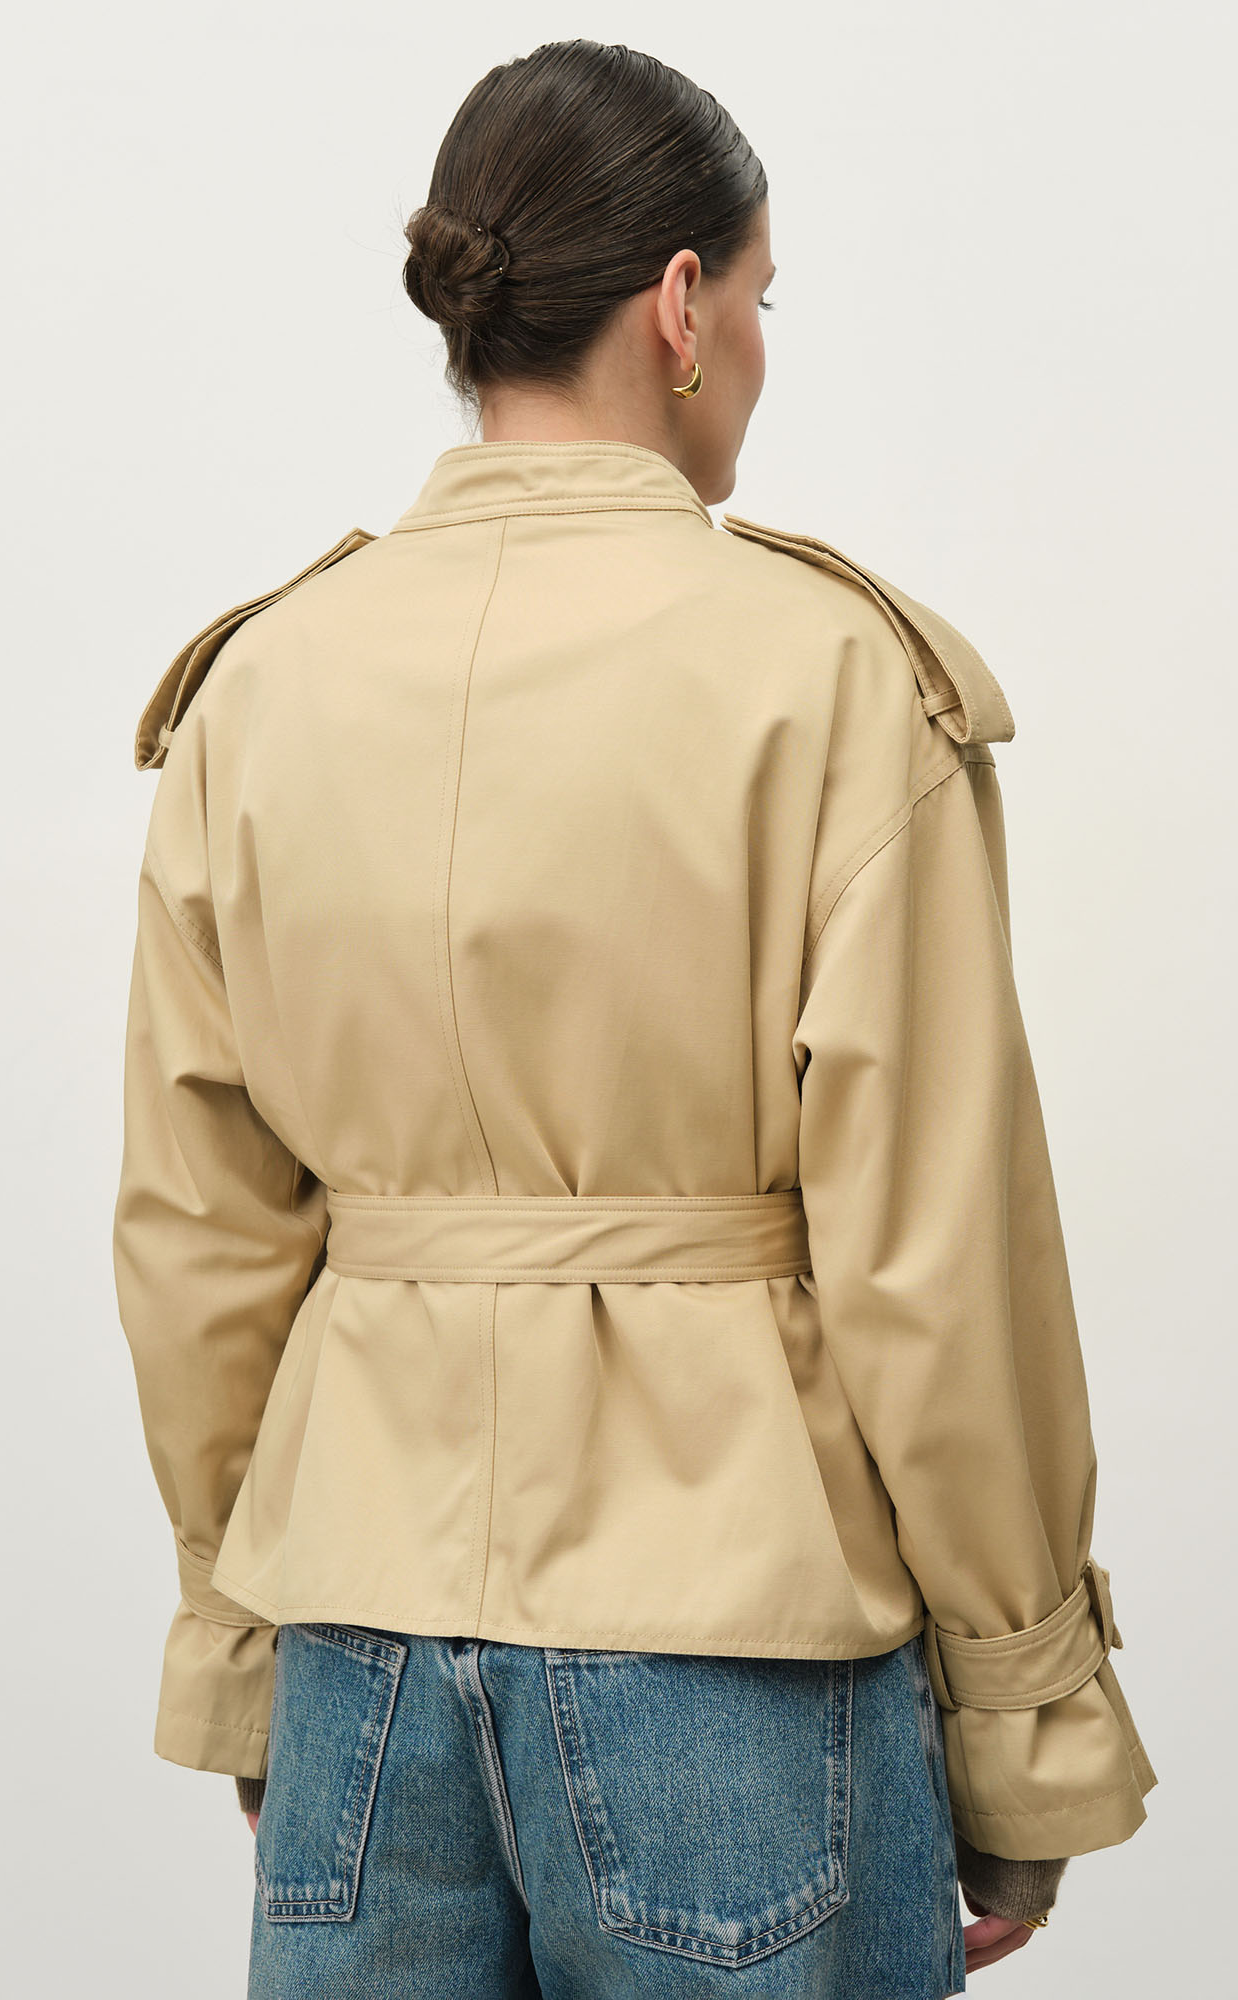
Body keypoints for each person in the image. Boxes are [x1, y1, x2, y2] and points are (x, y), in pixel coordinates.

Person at [111, 37, 1157, 1998]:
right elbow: (937, 1264)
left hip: (357, 1642)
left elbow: (198, 1239)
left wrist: (249, 1654)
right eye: (761, 296)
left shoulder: (262, 688)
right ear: (681, 304)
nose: (759, 344)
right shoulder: (831, 679)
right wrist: (1027, 1715)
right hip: (737, 1655)